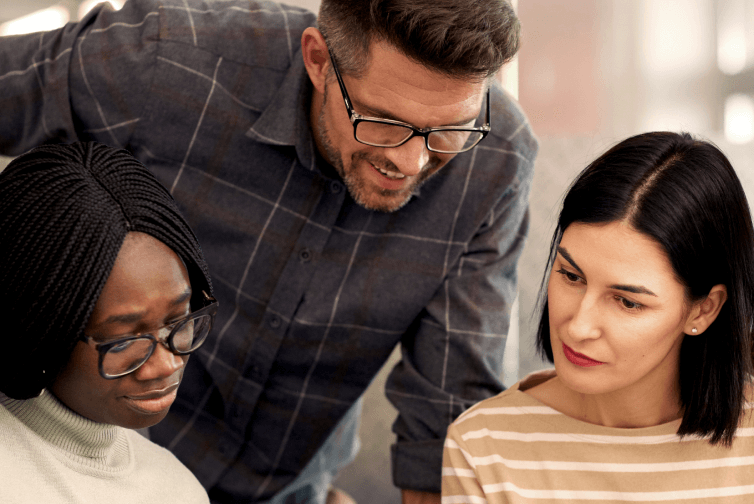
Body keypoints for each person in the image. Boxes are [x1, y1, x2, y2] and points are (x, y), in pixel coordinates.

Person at [0, 1, 538, 502]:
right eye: (385, 122)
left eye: (449, 130)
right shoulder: (168, 61)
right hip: (83, 474)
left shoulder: (498, 163)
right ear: (319, 60)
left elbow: (444, 411)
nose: (414, 161)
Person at [442, 131, 754, 503]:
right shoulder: (484, 447)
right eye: (571, 277)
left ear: (704, 309)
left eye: (627, 302)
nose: (578, 326)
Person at [0, 141, 218, 503]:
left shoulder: (179, 492)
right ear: (41, 328)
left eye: (179, 320)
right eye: (123, 341)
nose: (168, 364)